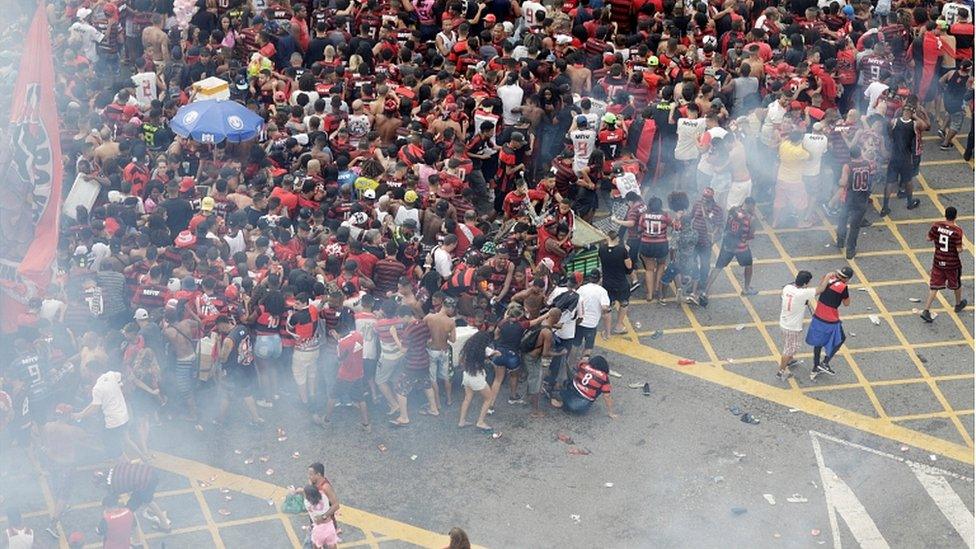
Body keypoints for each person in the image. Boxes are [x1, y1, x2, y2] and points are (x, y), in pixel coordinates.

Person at [72, 358, 132, 460]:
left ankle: (126, 466)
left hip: (113, 422)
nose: (86, 374)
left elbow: (95, 408)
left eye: (87, 371)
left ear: (91, 372)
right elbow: (123, 377)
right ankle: (122, 460)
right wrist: (81, 413)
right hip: (124, 416)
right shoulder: (111, 374)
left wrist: (80, 415)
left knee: (113, 447)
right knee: (116, 443)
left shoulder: (97, 388)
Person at [317, 318, 370, 431]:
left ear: (338, 332)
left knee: (333, 396)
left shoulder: (342, 344)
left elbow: (340, 360)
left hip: (345, 375)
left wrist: (338, 340)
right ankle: (366, 425)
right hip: (358, 372)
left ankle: (326, 420)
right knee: (361, 398)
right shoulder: (357, 335)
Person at [703, 197, 757, 299]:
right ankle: (746, 288)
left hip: (727, 245)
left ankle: (705, 291)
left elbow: (727, 223)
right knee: (748, 265)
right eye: (753, 207)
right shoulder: (751, 218)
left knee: (718, 267)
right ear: (750, 205)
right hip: (741, 247)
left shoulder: (733, 210)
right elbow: (750, 235)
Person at [214, 315, 264, 426]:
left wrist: (218, 343)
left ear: (221, 324)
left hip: (235, 371)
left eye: (218, 328)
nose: (219, 330)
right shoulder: (242, 328)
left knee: (237, 394)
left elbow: (222, 358)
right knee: (235, 393)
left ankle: (256, 419)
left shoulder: (228, 340)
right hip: (247, 366)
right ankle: (220, 419)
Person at [921, 207, 968, 322]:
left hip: (938, 261)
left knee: (934, 286)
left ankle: (926, 310)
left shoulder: (936, 225)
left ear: (945, 215)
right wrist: (962, 248)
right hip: (952, 264)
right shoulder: (957, 231)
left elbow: (928, 238)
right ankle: (958, 304)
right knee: (956, 284)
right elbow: (958, 249)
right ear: (956, 216)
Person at [806, 267, 854, 380]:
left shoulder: (828, 277)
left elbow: (821, 288)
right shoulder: (843, 287)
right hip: (830, 319)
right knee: (841, 338)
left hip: (818, 315)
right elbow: (847, 303)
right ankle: (825, 362)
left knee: (818, 342)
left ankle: (815, 367)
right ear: (847, 279)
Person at [834, 146, 875, 259]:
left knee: (843, 219)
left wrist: (839, 181)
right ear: (860, 153)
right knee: (855, 226)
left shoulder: (848, 166)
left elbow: (843, 182)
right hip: (862, 197)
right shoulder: (867, 164)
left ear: (850, 155)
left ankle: (840, 241)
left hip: (850, 197)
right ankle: (850, 250)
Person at [777, 271, 818, 381]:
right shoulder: (802, 294)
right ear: (805, 284)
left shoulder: (787, 288)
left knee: (789, 345)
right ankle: (781, 370)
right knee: (790, 348)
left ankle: (789, 361)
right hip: (792, 327)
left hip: (784, 322)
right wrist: (827, 277)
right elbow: (820, 290)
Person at [553, 356, 617, 417]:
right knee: (601, 387)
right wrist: (610, 412)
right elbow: (607, 396)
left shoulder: (583, 366)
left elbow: (579, 364)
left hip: (570, 393)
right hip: (581, 405)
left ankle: (561, 400)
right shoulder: (604, 377)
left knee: (577, 375)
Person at [457, 331, 494, 431]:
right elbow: (492, 354)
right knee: (488, 398)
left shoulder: (468, 347)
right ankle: (480, 422)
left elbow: (460, 361)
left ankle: (462, 421)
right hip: (477, 377)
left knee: (467, 398)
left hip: (467, 375)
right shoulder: (483, 350)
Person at [598, 230, 633, 335]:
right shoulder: (622, 250)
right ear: (617, 238)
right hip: (620, 282)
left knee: (607, 306)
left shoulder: (601, 249)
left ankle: (607, 330)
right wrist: (627, 252)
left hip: (607, 282)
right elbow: (629, 266)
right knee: (624, 303)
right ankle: (618, 326)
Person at [576, 269, 611, 349]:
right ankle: (584, 360)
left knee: (575, 344)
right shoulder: (602, 292)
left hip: (578, 323)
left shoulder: (581, 288)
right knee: (588, 348)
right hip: (591, 325)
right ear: (600, 279)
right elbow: (605, 309)